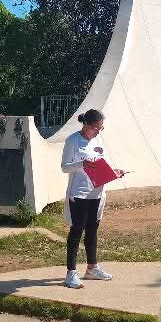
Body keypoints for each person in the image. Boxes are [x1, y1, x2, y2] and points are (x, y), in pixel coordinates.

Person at [60, 108, 124, 288]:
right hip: (79, 194)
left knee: (92, 230)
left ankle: (92, 268)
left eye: (101, 128)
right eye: (96, 128)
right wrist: (82, 163)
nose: (98, 132)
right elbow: (65, 167)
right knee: (77, 230)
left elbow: (102, 163)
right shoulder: (73, 140)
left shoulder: (98, 140)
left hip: (97, 193)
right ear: (86, 125)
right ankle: (71, 273)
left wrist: (114, 172)